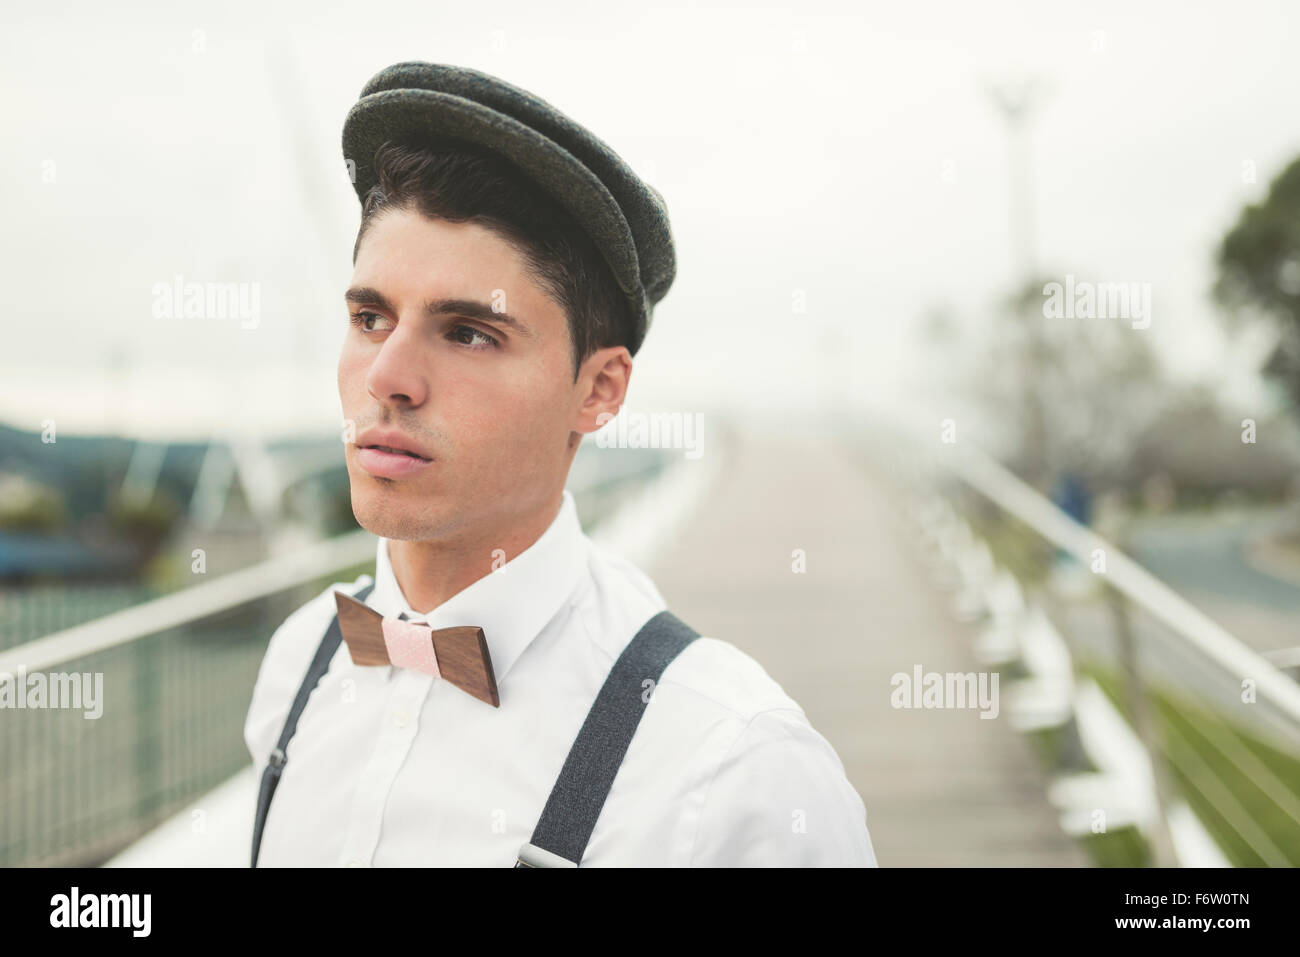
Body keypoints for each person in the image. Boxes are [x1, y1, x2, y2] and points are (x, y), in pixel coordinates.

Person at [243, 61, 877, 867]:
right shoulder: (300, 664)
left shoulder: (733, 770)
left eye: (469, 332)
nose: (386, 377)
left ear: (599, 388)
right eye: (371, 317)